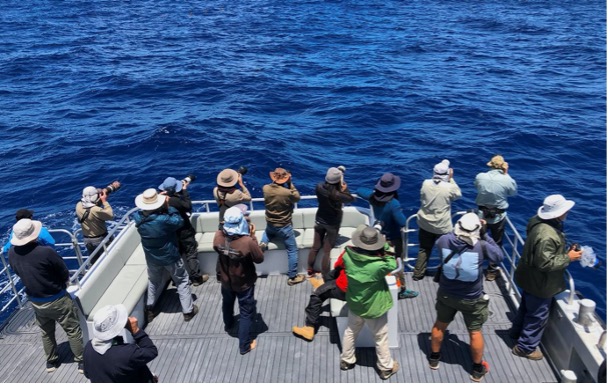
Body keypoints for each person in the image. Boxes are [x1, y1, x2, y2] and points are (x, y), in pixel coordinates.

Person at [428, 212, 503, 382]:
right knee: (475, 332)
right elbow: (498, 257)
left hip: (446, 294)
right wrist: (485, 234)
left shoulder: (443, 241)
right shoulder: (481, 246)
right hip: (472, 298)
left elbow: (447, 237)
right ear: (476, 230)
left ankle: (434, 359)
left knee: (440, 325)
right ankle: (477, 369)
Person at [510, 194, 582, 360]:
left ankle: (515, 332)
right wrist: (568, 257)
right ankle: (525, 348)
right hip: (540, 283)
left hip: (528, 277)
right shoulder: (547, 235)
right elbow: (544, 264)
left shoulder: (536, 221)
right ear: (558, 213)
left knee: (526, 307)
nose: (568, 212)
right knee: (537, 316)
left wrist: (564, 252)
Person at [7, 218, 84, 374]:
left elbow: (18, 271)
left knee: (46, 332)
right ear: (34, 235)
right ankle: (81, 361)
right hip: (57, 299)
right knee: (73, 330)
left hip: (36, 301)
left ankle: (52, 361)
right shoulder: (45, 252)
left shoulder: (11, 253)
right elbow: (63, 271)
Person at [339, 225, 399, 380]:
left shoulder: (347, 256)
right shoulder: (379, 266)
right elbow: (392, 263)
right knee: (380, 338)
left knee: (351, 331)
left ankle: (346, 360)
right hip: (374, 307)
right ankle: (385, 368)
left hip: (355, 303)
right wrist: (385, 244)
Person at [134, 188, 198, 322]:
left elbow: (149, 215)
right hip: (170, 256)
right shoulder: (163, 220)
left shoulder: (138, 218)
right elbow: (178, 221)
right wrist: (168, 206)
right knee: (181, 281)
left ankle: (150, 309)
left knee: (153, 281)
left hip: (152, 257)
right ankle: (188, 311)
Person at [357, 172, 418, 299]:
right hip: (393, 239)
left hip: (379, 237)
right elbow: (402, 222)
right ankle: (401, 289)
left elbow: (359, 190)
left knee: (381, 261)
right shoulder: (393, 203)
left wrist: (373, 192)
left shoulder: (372, 197)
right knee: (397, 263)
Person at [214, 206, 264, 355]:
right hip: (243, 283)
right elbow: (259, 258)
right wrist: (253, 236)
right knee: (246, 313)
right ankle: (245, 346)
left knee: (227, 302)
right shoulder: (247, 241)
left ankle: (229, 325)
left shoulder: (218, 236)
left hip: (225, 280)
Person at [83, 304, 158, 383]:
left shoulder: (89, 347)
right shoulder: (127, 353)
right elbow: (151, 351)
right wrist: (135, 330)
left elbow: (87, 374)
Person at [413, 159, 462, 280]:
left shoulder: (425, 183)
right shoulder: (449, 187)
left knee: (424, 248)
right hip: (442, 226)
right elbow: (458, 195)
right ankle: (441, 275)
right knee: (446, 251)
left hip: (425, 223)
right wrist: (451, 179)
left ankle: (418, 274)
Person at [158, 176, 208, 286]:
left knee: (176, 256)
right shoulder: (175, 201)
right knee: (191, 254)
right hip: (184, 231)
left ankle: (178, 279)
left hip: (171, 233)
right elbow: (188, 206)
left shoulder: (159, 201)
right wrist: (184, 190)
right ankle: (196, 278)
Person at [306, 166, 354, 280]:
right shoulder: (338, 195)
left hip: (319, 220)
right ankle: (325, 276)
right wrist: (344, 189)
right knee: (327, 251)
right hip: (332, 224)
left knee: (315, 247)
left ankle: (309, 269)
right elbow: (350, 199)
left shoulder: (319, 187)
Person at [475, 154, 518, 281]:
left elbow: (476, 186)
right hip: (498, 216)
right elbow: (513, 192)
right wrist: (507, 174)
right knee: (496, 243)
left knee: (476, 240)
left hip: (481, 215)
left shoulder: (480, 176)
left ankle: (475, 266)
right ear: (503, 166)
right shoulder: (507, 179)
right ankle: (491, 271)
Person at [260, 167, 304, 286]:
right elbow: (297, 197)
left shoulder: (266, 188)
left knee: (268, 232)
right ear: (285, 178)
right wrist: (290, 183)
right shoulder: (287, 193)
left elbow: (272, 187)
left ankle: (263, 242)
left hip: (270, 223)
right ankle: (292, 277)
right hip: (284, 226)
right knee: (292, 250)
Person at [292, 252, 348, 342]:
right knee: (335, 272)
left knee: (317, 294)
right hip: (364, 291)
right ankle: (322, 283)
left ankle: (309, 327)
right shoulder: (378, 259)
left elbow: (338, 264)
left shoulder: (349, 254)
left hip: (346, 290)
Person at [75, 181, 120, 264]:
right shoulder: (95, 210)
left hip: (87, 240)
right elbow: (110, 215)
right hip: (100, 239)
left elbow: (91, 205)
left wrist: (108, 189)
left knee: (94, 261)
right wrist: (104, 201)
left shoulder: (78, 205)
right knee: (109, 259)